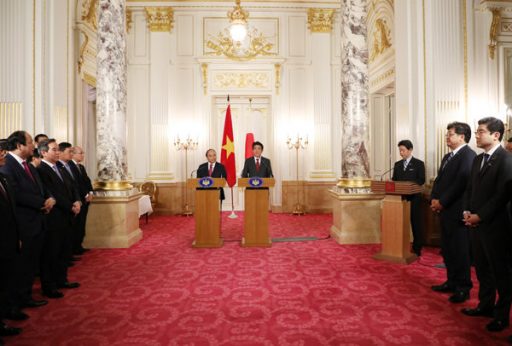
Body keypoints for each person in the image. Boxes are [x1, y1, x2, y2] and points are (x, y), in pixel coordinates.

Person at [461, 117, 512, 333]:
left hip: (496, 227)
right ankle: (485, 305)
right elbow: (470, 189)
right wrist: (467, 211)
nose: (477, 135)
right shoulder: (477, 159)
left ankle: (501, 317)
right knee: (482, 270)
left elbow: (502, 195)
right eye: (477, 131)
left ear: (496, 135)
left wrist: (480, 215)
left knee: (501, 273)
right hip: (476, 225)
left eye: (481, 131)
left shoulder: (506, 159)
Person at [0, 131, 54, 310]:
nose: (34, 146)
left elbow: (40, 187)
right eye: (30, 143)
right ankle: (16, 303)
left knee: (30, 264)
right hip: (23, 223)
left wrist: (48, 199)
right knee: (20, 267)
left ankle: (26, 297)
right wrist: (41, 203)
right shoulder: (7, 166)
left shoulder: (28, 165)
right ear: (19, 146)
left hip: (37, 221)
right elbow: (16, 194)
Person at [430, 122, 476, 303]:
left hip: (457, 210)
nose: (447, 137)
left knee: (460, 251)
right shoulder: (448, 156)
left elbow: (461, 183)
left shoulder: (468, 155)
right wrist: (434, 198)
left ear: (461, 136)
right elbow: (439, 180)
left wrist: (442, 201)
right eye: (447, 134)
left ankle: (463, 287)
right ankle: (451, 281)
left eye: (450, 134)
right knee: (448, 249)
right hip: (444, 210)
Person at [37, 139, 81, 299]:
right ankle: (49, 286)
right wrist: (70, 206)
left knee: (64, 250)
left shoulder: (60, 167)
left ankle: (62, 279)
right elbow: (53, 193)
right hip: (54, 218)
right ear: (43, 152)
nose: (57, 152)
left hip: (68, 216)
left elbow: (72, 186)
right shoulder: (41, 170)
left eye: (57, 149)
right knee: (51, 253)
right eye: (53, 149)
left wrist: (77, 200)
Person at [0, 139, 23, 342]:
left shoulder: (3, 178)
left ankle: (6, 316)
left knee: (6, 280)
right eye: (0, 152)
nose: (3, 155)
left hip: (8, 238)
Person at [391, 139, 426, 256]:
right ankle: (399, 246)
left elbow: (421, 180)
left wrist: (408, 185)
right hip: (400, 199)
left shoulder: (419, 164)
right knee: (399, 223)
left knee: (416, 223)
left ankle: (417, 248)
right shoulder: (397, 165)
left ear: (410, 150)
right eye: (400, 151)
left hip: (414, 198)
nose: (401, 153)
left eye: (403, 150)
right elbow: (394, 180)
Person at [71, 146, 93, 254]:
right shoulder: (70, 166)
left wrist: (91, 193)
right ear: (73, 154)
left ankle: (79, 245)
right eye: (80, 153)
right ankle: (74, 247)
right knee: (76, 225)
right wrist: (85, 195)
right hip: (78, 200)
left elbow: (87, 181)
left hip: (86, 200)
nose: (82, 155)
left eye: (83, 153)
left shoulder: (81, 167)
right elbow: (76, 184)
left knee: (82, 224)